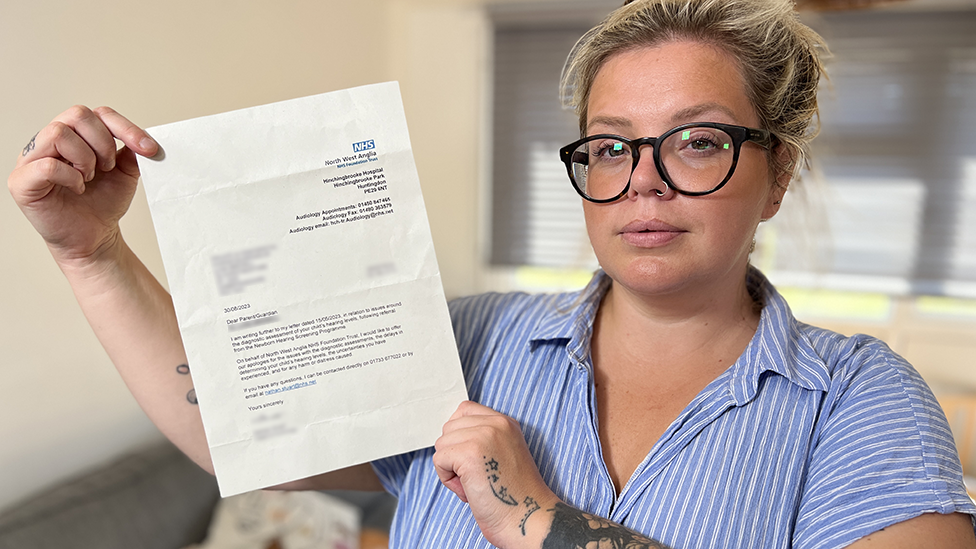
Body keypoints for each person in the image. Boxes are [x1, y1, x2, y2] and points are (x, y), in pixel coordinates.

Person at [8, 0, 976, 547]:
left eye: (696, 141)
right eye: (607, 147)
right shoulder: (472, 341)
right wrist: (89, 252)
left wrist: (533, 516)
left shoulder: (860, 404)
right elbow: (242, 427)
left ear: (776, 177)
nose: (642, 182)